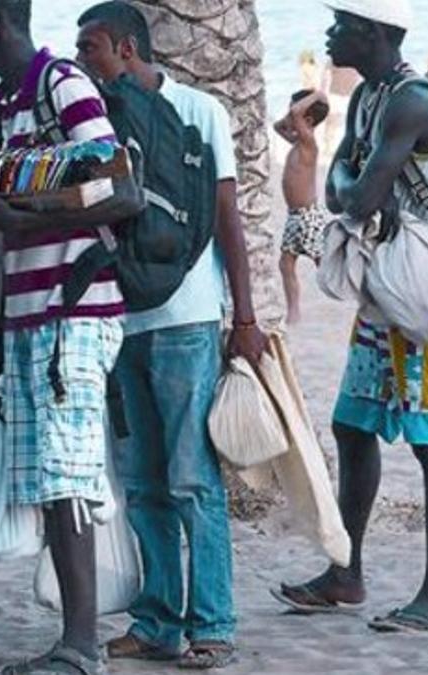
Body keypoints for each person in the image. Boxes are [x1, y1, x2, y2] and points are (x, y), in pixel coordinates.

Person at [72, 2, 267, 669]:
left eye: (90, 48)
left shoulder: (200, 109)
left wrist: (244, 317)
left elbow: (228, 221)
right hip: (122, 320)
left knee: (191, 478)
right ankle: (158, 620)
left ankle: (212, 622)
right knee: (144, 480)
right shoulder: (94, 118)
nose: (82, 61)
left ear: (127, 47)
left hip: (186, 318)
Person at [0, 1, 146, 673]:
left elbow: (120, 192)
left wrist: (17, 219)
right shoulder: (7, 106)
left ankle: (82, 645)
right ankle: (75, 638)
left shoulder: (60, 83)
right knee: (49, 478)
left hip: (76, 309)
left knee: (67, 476)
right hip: (36, 313)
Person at [272, 0, 428, 634]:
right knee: (353, 428)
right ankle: (346, 573)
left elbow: (354, 196)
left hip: (422, 303)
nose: (330, 33)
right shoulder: (369, 100)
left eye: (342, 24)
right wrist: (348, 180)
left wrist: (349, 181)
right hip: (384, 298)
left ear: (376, 33)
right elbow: (345, 195)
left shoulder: (411, 101)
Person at [276, 89, 332, 324]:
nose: (289, 117)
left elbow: (297, 112)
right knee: (286, 263)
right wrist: (290, 117)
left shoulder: (309, 142)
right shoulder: (297, 141)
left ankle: (345, 288)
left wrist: (318, 94)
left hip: (309, 216)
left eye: (293, 113)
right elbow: (277, 127)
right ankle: (294, 310)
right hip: (294, 216)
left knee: (323, 262)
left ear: (307, 122)